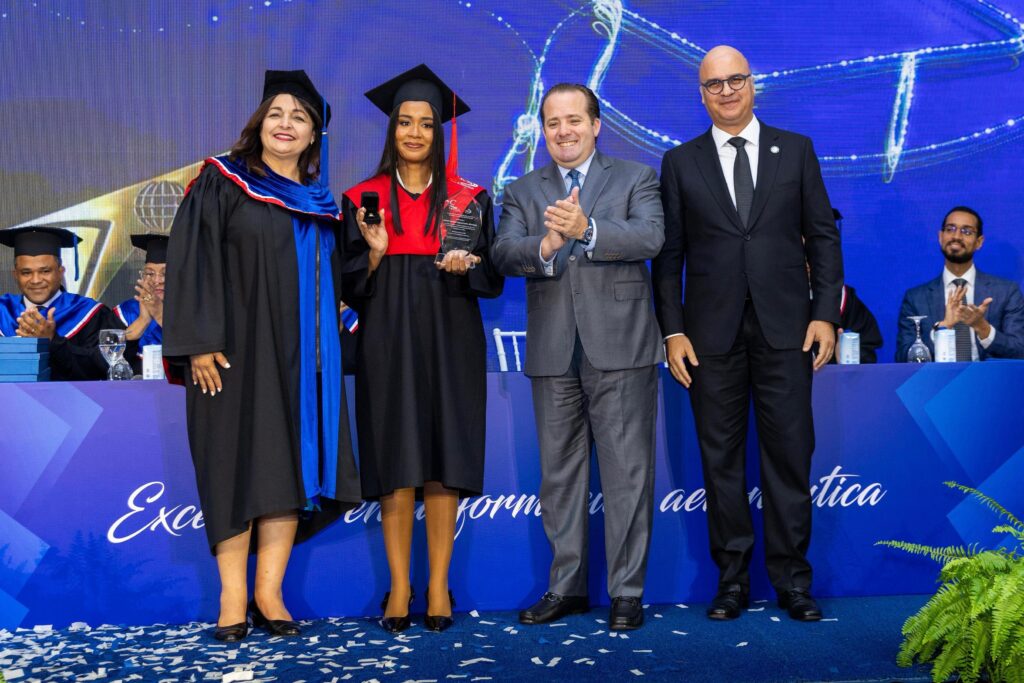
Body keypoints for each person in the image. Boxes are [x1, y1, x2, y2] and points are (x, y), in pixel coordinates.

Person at [162, 70, 361, 642]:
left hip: (298, 363)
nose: (286, 124)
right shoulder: (222, 182)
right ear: (259, 123)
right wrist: (199, 341)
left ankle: (269, 594)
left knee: (285, 469)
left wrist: (368, 259)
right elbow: (193, 259)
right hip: (228, 356)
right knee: (231, 467)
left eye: (300, 117)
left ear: (314, 136)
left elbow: (338, 287)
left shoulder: (323, 206)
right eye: (277, 113)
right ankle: (232, 597)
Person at [652, 45, 843, 622]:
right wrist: (673, 332)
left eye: (736, 80)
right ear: (702, 95)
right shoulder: (679, 163)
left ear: (753, 84)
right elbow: (669, 258)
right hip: (709, 339)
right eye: (714, 84)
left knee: (789, 456)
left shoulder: (797, 150)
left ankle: (792, 582)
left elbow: (824, 240)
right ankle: (731, 581)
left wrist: (825, 314)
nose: (727, 91)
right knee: (721, 463)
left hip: (789, 331)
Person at [491, 83, 665, 631]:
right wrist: (543, 247)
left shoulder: (637, 177)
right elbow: (501, 252)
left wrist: (586, 230)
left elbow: (651, 237)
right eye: (552, 122)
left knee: (627, 477)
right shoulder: (522, 189)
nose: (562, 132)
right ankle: (565, 588)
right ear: (542, 130)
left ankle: (626, 593)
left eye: (573, 121)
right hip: (552, 351)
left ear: (596, 125)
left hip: (622, 347)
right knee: (560, 478)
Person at [341, 64, 503, 633]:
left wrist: (468, 265)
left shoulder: (469, 199)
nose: (414, 133)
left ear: (440, 132)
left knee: (442, 460)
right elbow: (348, 283)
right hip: (386, 341)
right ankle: (399, 587)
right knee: (396, 461)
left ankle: (437, 586)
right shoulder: (363, 199)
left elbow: (492, 280)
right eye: (405, 122)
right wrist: (378, 253)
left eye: (427, 124)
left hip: (450, 338)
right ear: (391, 130)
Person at [896, 206, 1024, 361]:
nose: (956, 236)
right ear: (940, 237)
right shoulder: (915, 298)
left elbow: (1019, 350)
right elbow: (903, 357)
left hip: (989, 382)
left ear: (979, 242)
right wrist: (944, 327)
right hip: (937, 383)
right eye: (950, 229)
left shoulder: (1007, 292)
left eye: (967, 231)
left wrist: (982, 327)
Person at [0, 226, 115, 380]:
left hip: (73, 401)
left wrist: (53, 341)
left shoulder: (90, 314)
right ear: (15, 275)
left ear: (60, 272)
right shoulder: (3, 312)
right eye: (26, 272)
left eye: (45, 271)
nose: (36, 280)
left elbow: (102, 370)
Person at [113, 233, 167, 375]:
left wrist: (159, 314)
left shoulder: (195, 312)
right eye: (149, 273)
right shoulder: (126, 312)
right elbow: (109, 366)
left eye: (166, 273)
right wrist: (143, 320)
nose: (157, 280)